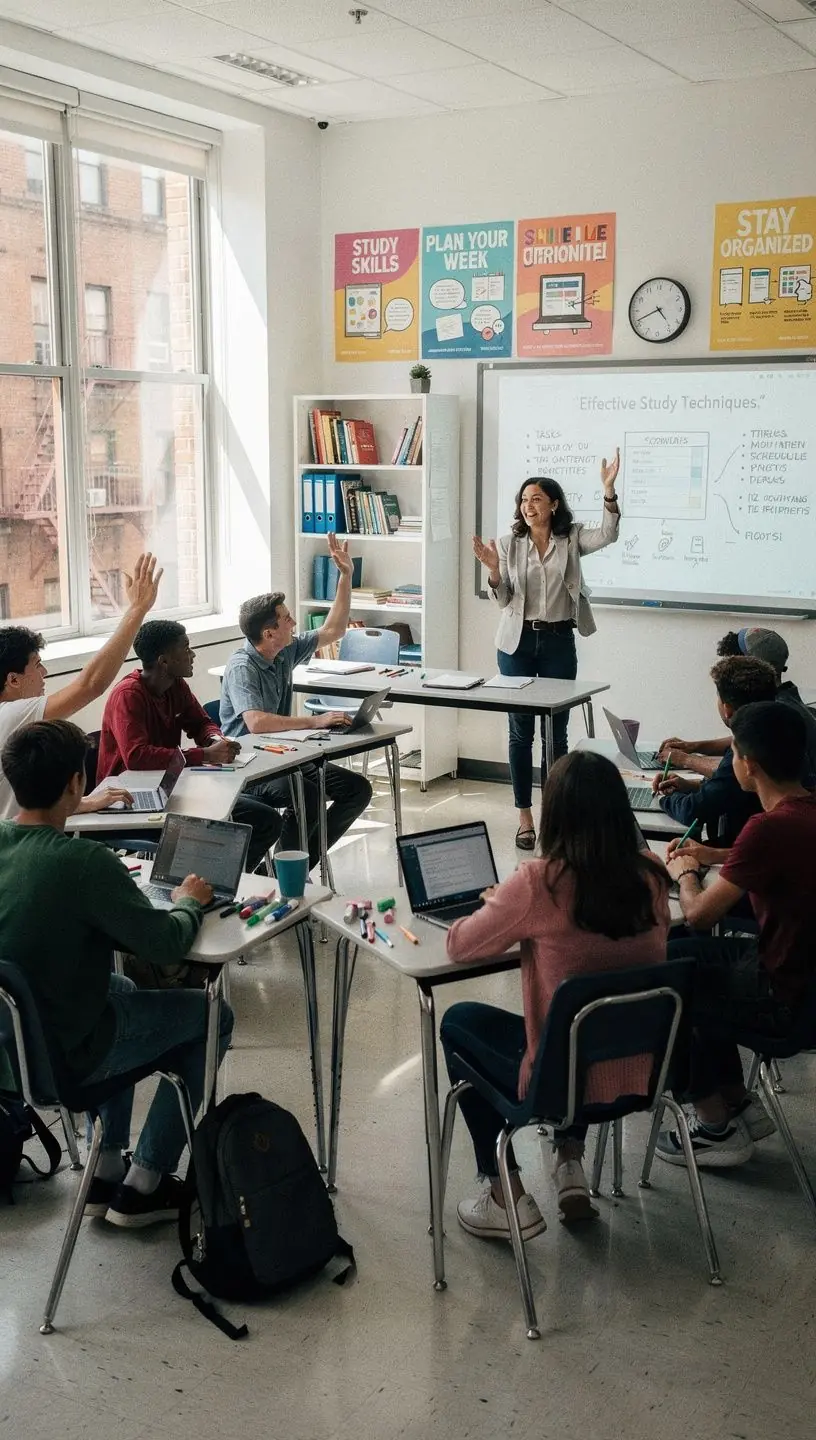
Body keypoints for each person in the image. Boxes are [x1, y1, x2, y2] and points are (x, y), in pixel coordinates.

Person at [0, 719, 233, 1226]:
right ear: (76, 784)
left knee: (120, 986)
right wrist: (189, 904)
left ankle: (105, 1165)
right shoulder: (83, 862)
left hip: (12, 1053)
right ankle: (146, 1181)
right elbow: (166, 943)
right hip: (65, 1061)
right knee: (212, 1014)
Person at [440, 751, 670, 1238]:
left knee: (458, 1021)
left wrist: (497, 904)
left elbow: (460, 944)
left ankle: (505, 1194)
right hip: (639, 1073)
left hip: (558, 1084)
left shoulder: (538, 884)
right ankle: (569, 1160)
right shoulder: (651, 876)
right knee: (586, 1020)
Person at [657, 702, 816, 1170]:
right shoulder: (800, 814)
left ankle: (714, 1128)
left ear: (749, 765)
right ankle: (738, 1100)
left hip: (779, 998)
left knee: (663, 981)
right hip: (805, 986)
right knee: (676, 954)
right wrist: (714, 853)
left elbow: (701, 914)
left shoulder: (766, 828)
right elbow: (771, 852)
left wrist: (687, 871)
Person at [473, 453, 621, 851]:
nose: (528, 506)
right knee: (520, 733)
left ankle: (555, 816)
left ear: (553, 504)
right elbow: (504, 600)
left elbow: (608, 535)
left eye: (536, 498)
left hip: (557, 641)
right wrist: (492, 571)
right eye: (524, 500)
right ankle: (524, 817)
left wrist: (608, 492)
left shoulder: (570, 537)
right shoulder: (508, 544)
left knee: (556, 733)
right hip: (516, 644)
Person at [219, 534, 372, 872]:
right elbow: (256, 723)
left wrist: (345, 577)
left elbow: (334, 630)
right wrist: (315, 721)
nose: (293, 622)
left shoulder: (284, 649)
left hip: (284, 755)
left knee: (357, 789)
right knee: (308, 797)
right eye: (286, 618)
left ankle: (293, 869)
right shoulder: (242, 666)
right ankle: (285, 877)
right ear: (269, 633)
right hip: (250, 763)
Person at [97, 620, 282, 873]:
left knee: (266, 820)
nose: (192, 654)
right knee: (229, 822)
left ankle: (218, 881)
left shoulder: (176, 686)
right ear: (164, 661)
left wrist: (216, 740)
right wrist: (203, 754)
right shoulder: (128, 695)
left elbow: (201, 723)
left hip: (171, 788)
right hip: (130, 799)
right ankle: (206, 883)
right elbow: (136, 757)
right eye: (185, 648)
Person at [0, 553, 161, 822]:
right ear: (13, 679)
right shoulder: (11, 715)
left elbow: (19, 806)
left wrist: (84, 803)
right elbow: (90, 684)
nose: (44, 673)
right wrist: (137, 610)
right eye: (37, 665)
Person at [659, 626, 816, 782]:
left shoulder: (776, 714)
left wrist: (686, 760)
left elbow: (737, 773)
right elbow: (745, 739)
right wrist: (694, 747)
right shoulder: (785, 700)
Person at [652, 657, 777, 847]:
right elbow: (733, 790)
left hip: (742, 847)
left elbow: (692, 811)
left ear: (726, 709)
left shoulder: (746, 749)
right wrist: (692, 786)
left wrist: (664, 797)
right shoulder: (777, 732)